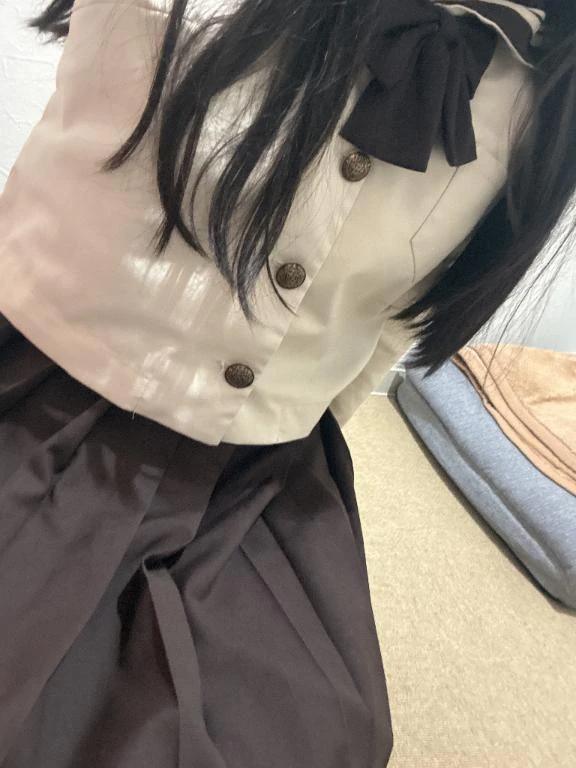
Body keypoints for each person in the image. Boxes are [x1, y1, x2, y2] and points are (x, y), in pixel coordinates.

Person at [0, 0, 573, 765]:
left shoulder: (543, 86)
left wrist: (306, 420)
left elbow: (395, 318)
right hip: (43, 388)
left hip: (261, 472)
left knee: (315, 730)